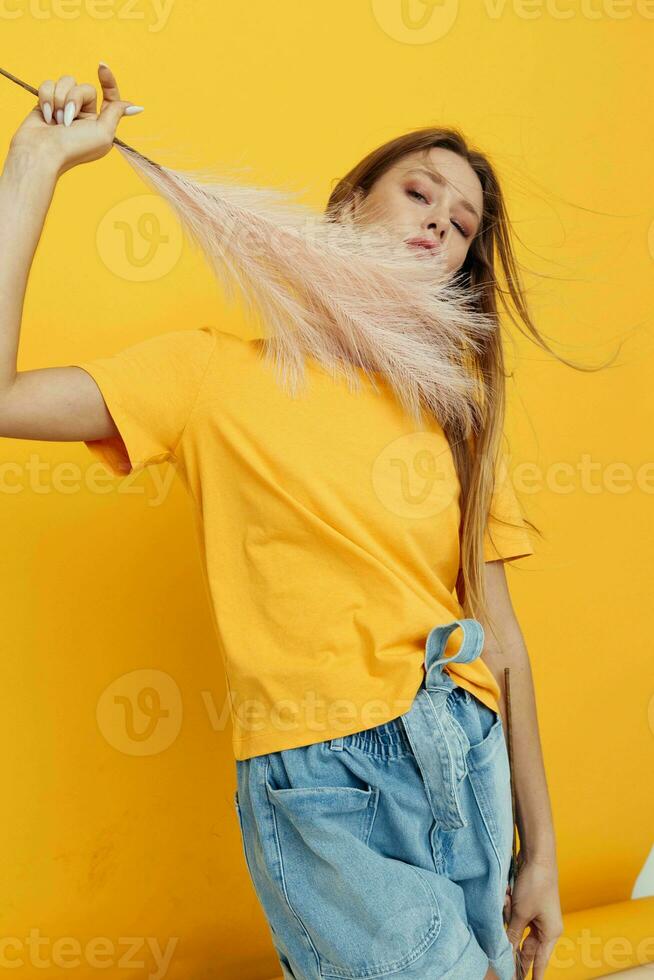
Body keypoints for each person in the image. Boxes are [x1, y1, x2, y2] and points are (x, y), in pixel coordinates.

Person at [0, 64, 564, 980]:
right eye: (418, 193)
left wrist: (539, 853)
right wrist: (36, 160)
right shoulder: (204, 376)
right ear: (348, 206)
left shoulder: (456, 418)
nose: (437, 222)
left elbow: (504, 641)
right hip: (328, 781)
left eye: (460, 227)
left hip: (468, 759)